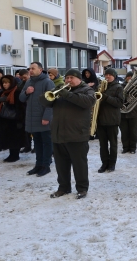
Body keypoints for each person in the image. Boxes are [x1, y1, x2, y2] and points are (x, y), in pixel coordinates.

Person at [40, 69, 96, 200]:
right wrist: (52, 93)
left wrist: (66, 94)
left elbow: (87, 102)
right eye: (67, 78)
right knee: (61, 165)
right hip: (59, 133)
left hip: (77, 134)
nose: (68, 80)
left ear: (79, 79)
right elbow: (45, 102)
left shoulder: (87, 90)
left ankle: (82, 188)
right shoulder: (61, 90)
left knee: (79, 164)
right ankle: (63, 188)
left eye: (71, 78)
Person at [20, 62, 55, 177]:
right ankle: (38, 165)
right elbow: (21, 98)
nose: (30, 70)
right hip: (32, 118)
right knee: (37, 143)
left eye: (33, 68)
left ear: (40, 70)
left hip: (43, 119)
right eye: (29, 68)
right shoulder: (29, 82)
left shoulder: (48, 82)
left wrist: (46, 117)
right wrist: (26, 92)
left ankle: (46, 166)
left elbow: (51, 102)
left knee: (47, 143)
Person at [0, 75, 25, 161]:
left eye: (7, 83)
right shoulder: (2, 92)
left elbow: (22, 107)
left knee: (15, 138)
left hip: (15, 119)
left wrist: (20, 120)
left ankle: (15, 155)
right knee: (8, 138)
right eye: (3, 83)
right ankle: (11, 154)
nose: (5, 85)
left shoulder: (17, 92)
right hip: (5, 120)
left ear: (11, 83)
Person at [96, 68, 124, 173]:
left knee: (113, 144)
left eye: (109, 75)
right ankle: (104, 163)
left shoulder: (118, 87)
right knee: (102, 144)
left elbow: (119, 103)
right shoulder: (101, 86)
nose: (107, 76)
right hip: (101, 119)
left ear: (114, 76)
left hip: (112, 120)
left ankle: (112, 164)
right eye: (106, 75)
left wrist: (106, 97)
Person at [120, 71, 137, 154]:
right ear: (126, 78)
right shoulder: (121, 87)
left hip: (133, 112)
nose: (130, 78)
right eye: (128, 77)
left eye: (131, 77)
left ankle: (133, 148)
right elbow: (119, 98)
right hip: (123, 113)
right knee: (124, 132)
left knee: (133, 132)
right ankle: (125, 147)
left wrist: (134, 96)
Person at [17, 70, 32, 153]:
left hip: (30, 108)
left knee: (33, 130)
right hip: (23, 108)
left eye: (24, 77)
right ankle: (28, 145)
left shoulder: (32, 82)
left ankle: (35, 146)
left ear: (28, 75)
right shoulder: (21, 84)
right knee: (26, 130)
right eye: (21, 78)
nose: (22, 79)